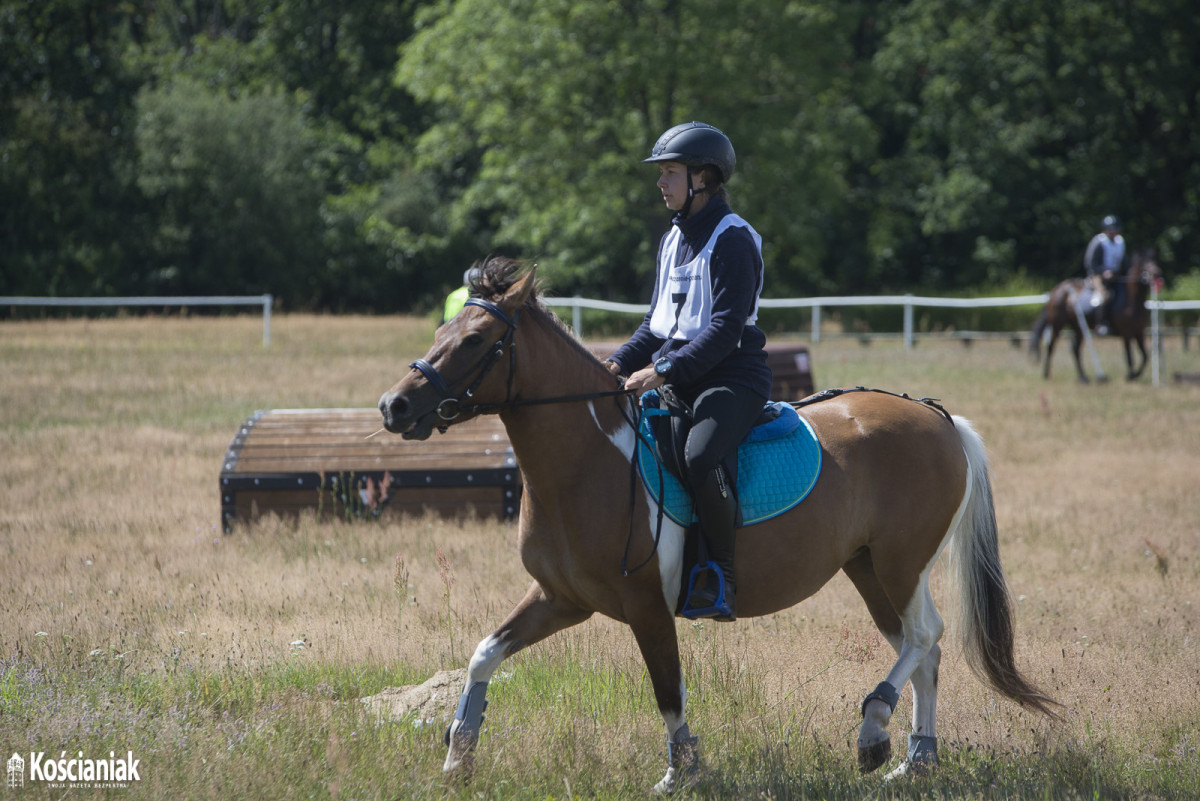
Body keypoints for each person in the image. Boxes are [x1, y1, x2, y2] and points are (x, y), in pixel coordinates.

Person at [604, 121, 772, 621]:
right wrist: (613, 364)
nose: (660, 183)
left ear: (703, 177)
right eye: (661, 174)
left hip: (733, 378)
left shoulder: (734, 240)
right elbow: (656, 326)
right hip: (682, 379)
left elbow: (723, 330)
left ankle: (722, 575)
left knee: (700, 456)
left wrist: (661, 372)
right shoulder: (671, 241)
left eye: (670, 173)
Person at [1083, 215, 1127, 335]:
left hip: (1116, 276)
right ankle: (1101, 324)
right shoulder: (1099, 242)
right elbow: (1090, 263)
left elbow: (1123, 262)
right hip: (1098, 276)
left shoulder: (1121, 242)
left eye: (1115, 228)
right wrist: (1103, 272)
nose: (1113, 231)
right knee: (1104, 296)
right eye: (1110, 229)